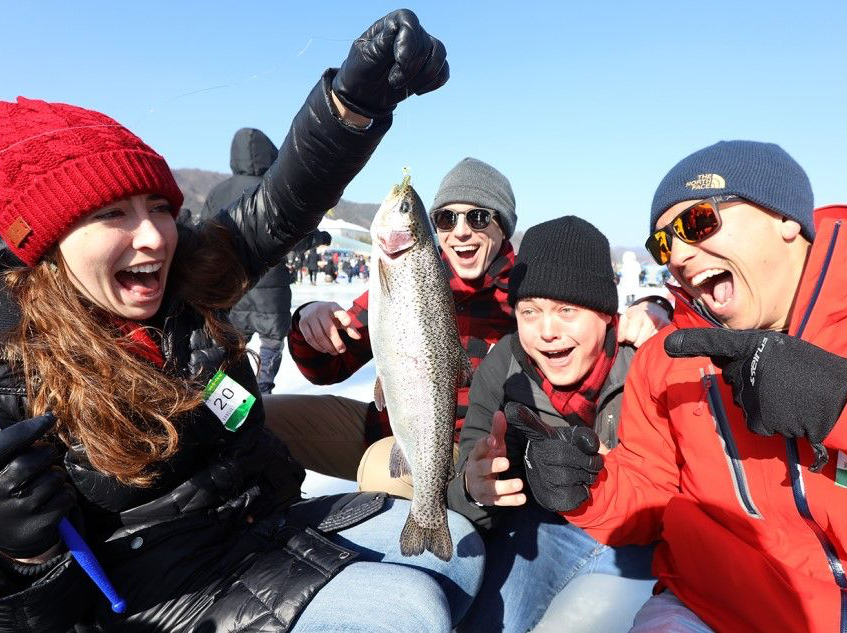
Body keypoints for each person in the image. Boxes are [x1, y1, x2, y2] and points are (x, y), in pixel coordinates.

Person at [0, 11, 484, 633]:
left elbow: (284, 202)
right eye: (112, 215)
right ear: (45, 241)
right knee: (410, 613)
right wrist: (15, 555)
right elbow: (6, 620)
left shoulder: (188, 278)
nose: (153, 235)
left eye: (159, 206)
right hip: (165, 597)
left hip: (263, 529)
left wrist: (352, 104)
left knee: (461, 558)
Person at [519, 141, 847, 632]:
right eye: (663, 244)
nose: (680, 255)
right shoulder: (667, 358)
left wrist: (845, 404)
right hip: (712, 609)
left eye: (697, 222)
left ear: (786, 218)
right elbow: (652, 490)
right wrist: (585, 487)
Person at [267, 158, 670, 488]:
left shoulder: (528, 293)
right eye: (445, 219)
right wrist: (308, 321)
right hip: (386, 426)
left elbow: (592, 325)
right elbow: (326, 368)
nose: (460, 232)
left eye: (477, 218)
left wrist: (652, 307)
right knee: (255, 415)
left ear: (503, 226)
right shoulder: (408, 276)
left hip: (468, 452)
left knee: (381, 471)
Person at [449, 216, 658, 632]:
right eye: (530, 311)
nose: (547, 331)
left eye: (567, 310)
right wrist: (475, 489)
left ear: (604, 314)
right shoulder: (504, 366)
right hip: (542, 529)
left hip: (645, 538)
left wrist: (614, 474)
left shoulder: (645, 363)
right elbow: (461, 492)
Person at [197, 127, 331, 393]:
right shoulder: (274, 191)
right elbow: (295, 236)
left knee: (232, 344)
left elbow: (201, 238)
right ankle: (264, 390)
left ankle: (234, 401)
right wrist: (320, 238)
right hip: (270, 283)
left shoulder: (217, 193)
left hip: (231, 286)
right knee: (271, 342)